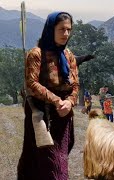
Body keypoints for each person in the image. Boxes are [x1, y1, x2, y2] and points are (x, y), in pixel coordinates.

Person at [17, 12, 79, 180]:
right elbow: (32, 84)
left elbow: (75, 85)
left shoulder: (69, 56)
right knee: (51, 163)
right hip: (42, 114)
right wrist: (57, 100)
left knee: (59, 157)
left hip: (64, 115)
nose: (66, 34)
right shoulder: (36, 54)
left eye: (68, 30)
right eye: (61, 29)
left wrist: (70, 102)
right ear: (51, 29)